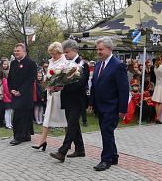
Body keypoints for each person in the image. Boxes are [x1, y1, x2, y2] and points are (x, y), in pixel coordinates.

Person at [89, 37, 129, 171]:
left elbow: (124, 89)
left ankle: (106, 160)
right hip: (100, 105)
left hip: (112, 106)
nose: (98, 52)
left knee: (106, 131)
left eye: (101, 49)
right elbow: (95, 84)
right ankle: (114, 155)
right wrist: (92, 102)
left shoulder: (118, 65)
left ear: (109, 49)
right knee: (107, 132)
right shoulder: (99, 64)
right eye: (97, 49)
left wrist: (123, 109)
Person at [50, 40, 89, 162]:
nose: (65, 55)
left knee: (71, 125)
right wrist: (57, 85)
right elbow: (61, 79)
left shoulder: (83, 64)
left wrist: (64, 86)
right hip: (67, 98)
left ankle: (62, 152)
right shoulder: (65, 64)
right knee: (74, 125)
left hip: (77, 99)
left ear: (75, 50)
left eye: (67, 52)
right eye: (64, 52)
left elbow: (82, 83)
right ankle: (80, 149)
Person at [32, 42, 67, 150]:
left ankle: (68, 141)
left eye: (54, 53)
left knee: (65, 119)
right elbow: (49, 75)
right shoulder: (51, 61)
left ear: (59, 52)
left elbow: (65, 78)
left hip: (60, 95)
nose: (52, 56)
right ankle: (42, 141)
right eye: (51, 53)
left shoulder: (65, 62)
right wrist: (46, 82)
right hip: (51, 94)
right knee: (46, 117)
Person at [8, 43, 37, 145]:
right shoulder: (13, 63)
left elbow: (30, 80)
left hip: (25, 94)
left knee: (24, 115)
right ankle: (22, 135)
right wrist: (11, 89)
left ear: (24, 51)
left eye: (18, 51)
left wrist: (21, 91)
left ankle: (21, 136)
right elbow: (10, 78)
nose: (16, 53)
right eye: (15, 51)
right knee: (18, 115)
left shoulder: (31, 63)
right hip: (15, 93)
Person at [0, 58, 10, 127]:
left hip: (7, 92)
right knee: (0, 108)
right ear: (1, 64)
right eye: (4, 64)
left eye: (6, 64)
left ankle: (4, 121)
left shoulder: (9, 72)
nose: (5, 65)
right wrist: (0, 92)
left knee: (5, 108)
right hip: (1, 92)